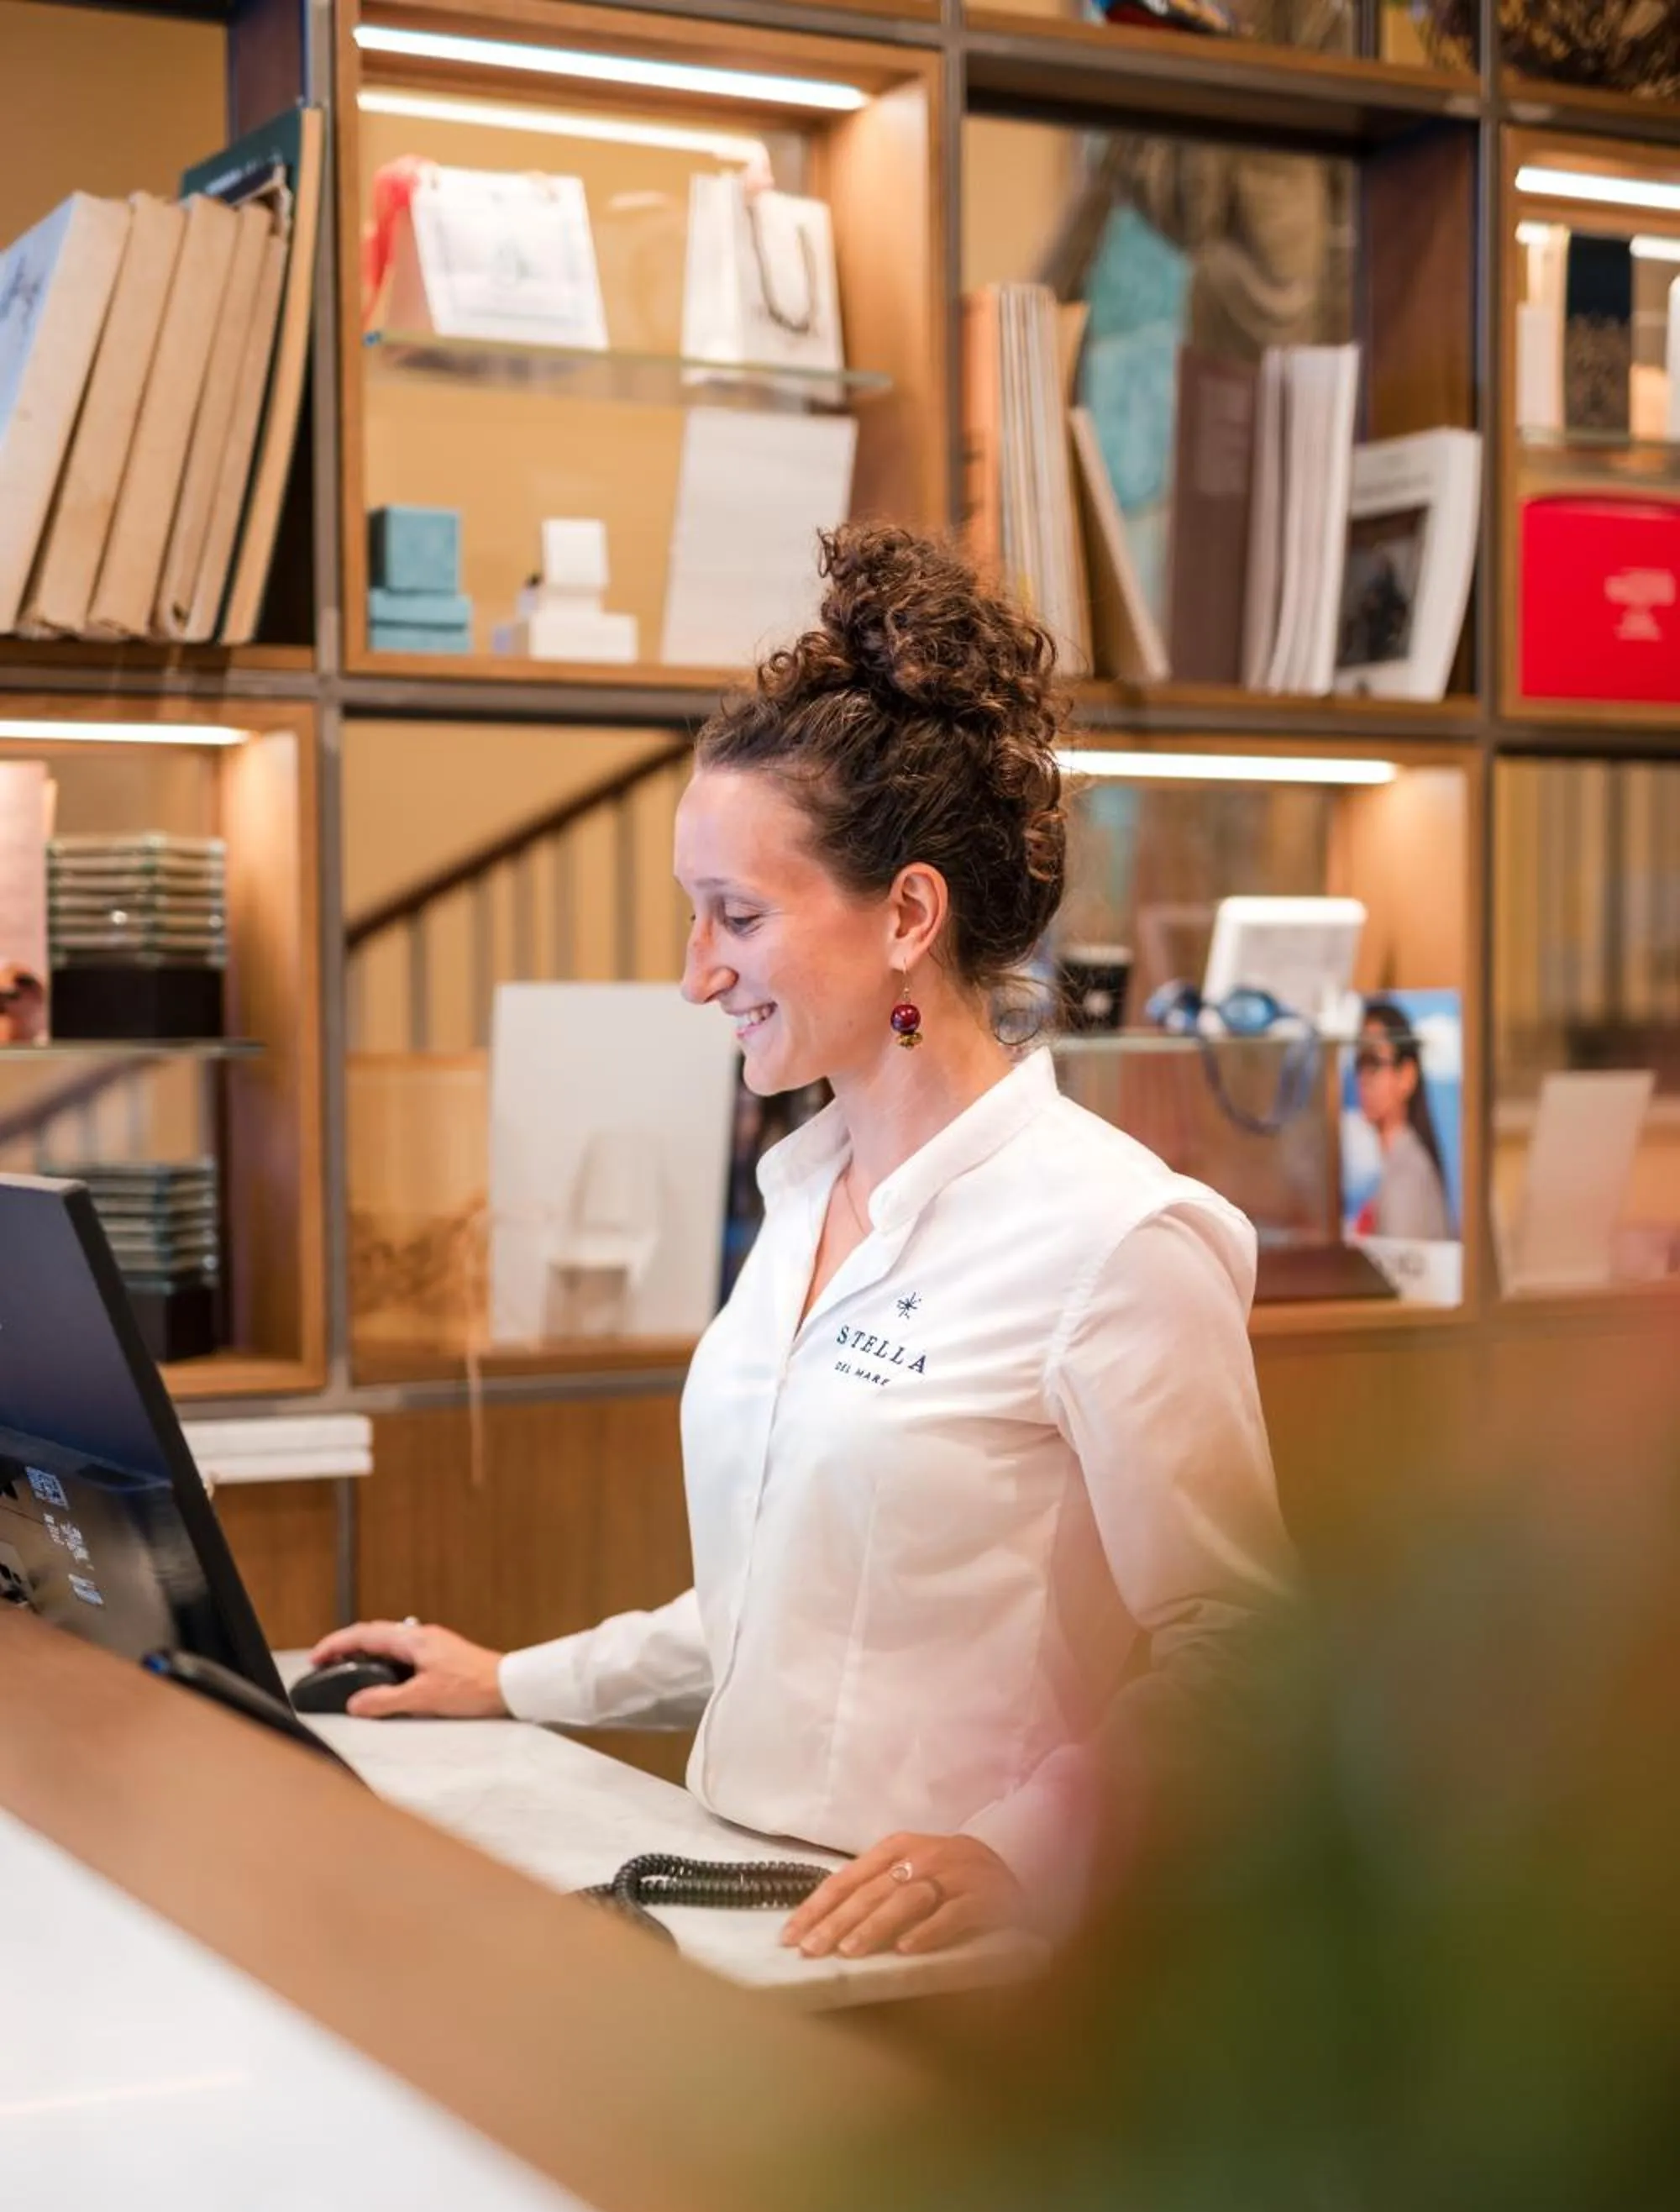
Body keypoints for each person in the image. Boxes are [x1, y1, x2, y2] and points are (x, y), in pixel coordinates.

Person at [310, 524, 1290, 1958]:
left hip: (970, 1967)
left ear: (907, 914)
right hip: (742, 1918)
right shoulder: (800, 1195)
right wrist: (518, 1680)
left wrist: (1018, 1850)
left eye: (737, 918)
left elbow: (1249, 1651)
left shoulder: (1118, 1241)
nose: (696, 973)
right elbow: (783, 1602)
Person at [1352, 999, 1453, 1243]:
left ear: (1406, 1076)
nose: (1364, 1079)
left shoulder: (1407, 1177)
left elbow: (1400, 1279)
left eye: (1373, 1063)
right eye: (1360, 1064)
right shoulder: (1398, 1165)